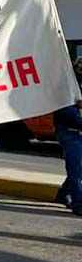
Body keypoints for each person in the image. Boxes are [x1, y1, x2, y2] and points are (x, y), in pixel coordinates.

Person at [54, 59, 82, 216]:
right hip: (69, 132)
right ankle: (78, 203)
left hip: (76, 132)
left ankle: (62, 195)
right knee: (76, 169)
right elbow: (66, 114)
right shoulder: (66, 88)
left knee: (78, 169)